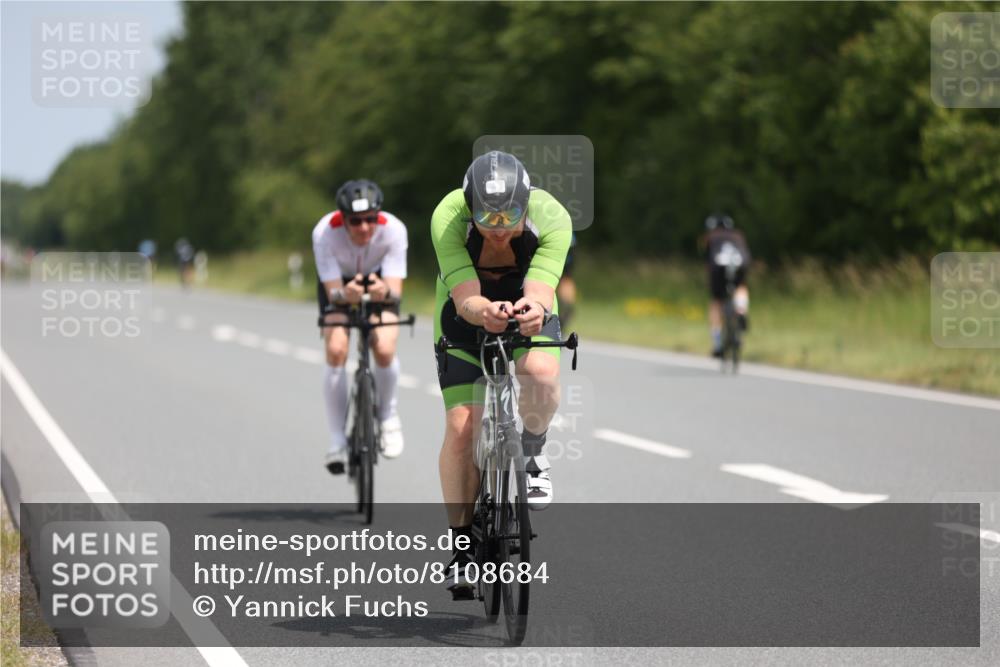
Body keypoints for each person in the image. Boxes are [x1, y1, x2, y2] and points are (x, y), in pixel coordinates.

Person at [431, 151, 571, 597]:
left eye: (510, 212)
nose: (498, 224)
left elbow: (541, 289)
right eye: (486, 214)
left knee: (541, 373)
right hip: (465, 306)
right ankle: (461, 548)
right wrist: (483, 311)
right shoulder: (448, 217)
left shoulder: (552, 216)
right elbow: (465, 297)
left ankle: (532, 451)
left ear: (527, 202)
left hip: (527, 300)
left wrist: (534, 310)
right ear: (468, 205)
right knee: (462, 427)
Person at [312, 179, 409, 474]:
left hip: (381, 280)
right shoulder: (324, 233)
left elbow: (396, 291)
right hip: (340, 284)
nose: (365, 228)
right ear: (343, 219)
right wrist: (346, 294)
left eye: (370, 219)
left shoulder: (393, 229)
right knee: (337, 348)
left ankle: (388, 416)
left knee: (383, 346)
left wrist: (382, 292)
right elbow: (333, 293)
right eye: (355, 222)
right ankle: (337, 439)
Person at [702, 214, 751, 357]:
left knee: (716, 302)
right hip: (739, 264)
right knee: (741, 286)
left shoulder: (710, 237)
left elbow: (708, 261)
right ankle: (741, 310)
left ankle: (717, 344)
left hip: (718, 266)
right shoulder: (738, 235)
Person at [555, 232, 578, 330]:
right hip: (560, 269)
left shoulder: (568, 232)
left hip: (565, 272)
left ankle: (562, 323)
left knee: (567, 303)